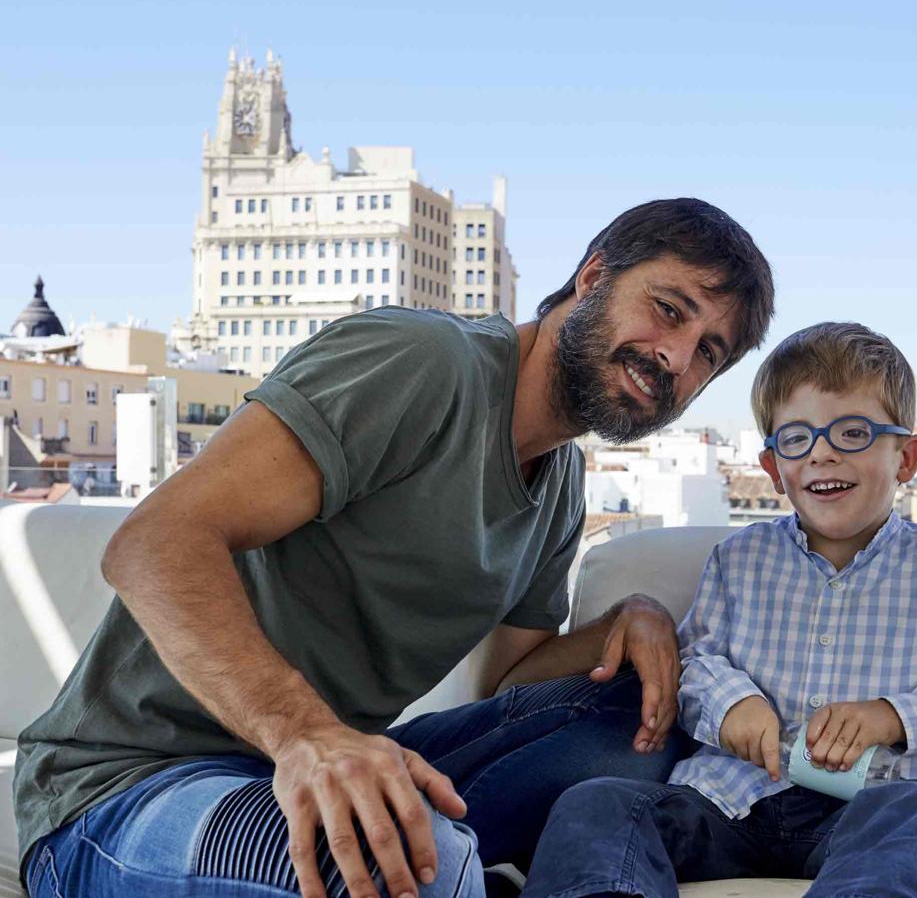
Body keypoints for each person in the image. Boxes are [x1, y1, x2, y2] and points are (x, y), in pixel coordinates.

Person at [15, 198, 775, 898]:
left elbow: (508, 680)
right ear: (593, 276)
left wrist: (623, 620)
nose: (675, 357)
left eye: (708, 352)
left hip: (326, 765)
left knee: (632, 722)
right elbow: (152, 543)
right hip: (129, 793)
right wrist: (307, 736)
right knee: (419, 866)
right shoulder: (425, 363)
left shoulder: (563, 484)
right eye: (668, 311)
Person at [520, 321, 917, 898]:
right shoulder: (737, 558)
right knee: (596, 802)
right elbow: (694, 661)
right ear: (774, 469)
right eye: (797, 438)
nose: (822, 454)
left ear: (907, 458)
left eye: (852, 432)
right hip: (729, 798)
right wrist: (733, 704)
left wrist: (894, 716)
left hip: (876, 801)